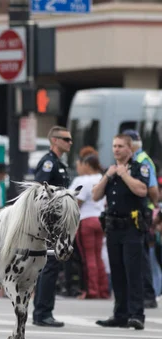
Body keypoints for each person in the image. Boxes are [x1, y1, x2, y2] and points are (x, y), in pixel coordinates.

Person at [92, 133, 149, 330]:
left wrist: (124, 175)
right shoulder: (110, 170)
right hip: (113, 227)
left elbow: (142, 190)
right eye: (114, 146)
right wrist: (108, 176)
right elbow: (96, 195)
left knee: (133, 272)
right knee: (116, 272)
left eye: (120, 146)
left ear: (129, 149)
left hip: (132, 226)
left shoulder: (138, 168)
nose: (116, 149)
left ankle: (136, 315)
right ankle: (120, 314)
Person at [32, 125, 72, 328]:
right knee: (49, 265)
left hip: (59, 222)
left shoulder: (60, 164)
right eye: (66, 139)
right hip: (49, 222)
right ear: (54, 140)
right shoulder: (49, 163)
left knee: (52, 266)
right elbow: (40, 191)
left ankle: (44, 310)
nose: (70, 142)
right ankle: (42, 312)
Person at [123, 129, 158, 309]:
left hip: (143, 213)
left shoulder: (142, 161)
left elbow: (152, 189)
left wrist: (153, 207)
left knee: (142, 257)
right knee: (140, 256)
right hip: (141, 213)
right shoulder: (140, 159)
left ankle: (148, 294)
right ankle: (145, 293)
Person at [69, 147, 109, 299]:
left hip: (86, 220)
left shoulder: (82, 180)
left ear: (86, 165)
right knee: (98, 257)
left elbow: (74, 202)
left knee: (88, 258)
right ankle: (103, 289)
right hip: (100, 220)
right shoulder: (103, 178)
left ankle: (92, 290)